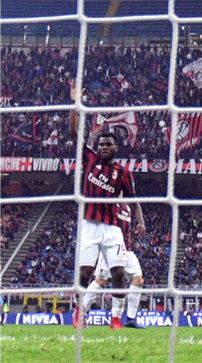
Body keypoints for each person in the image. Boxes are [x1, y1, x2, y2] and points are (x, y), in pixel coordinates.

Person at [69, 89, 145, 330]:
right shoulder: (89, 159)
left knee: (119, 273)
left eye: (108, 144)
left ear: (115, 147)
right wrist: (75, 103)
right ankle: (78, 312)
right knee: (85, 274)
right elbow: (73, 133)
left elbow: (133, 200)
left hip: (112, 229)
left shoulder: (123, 172)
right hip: (89, 225)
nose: (103, 147)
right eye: (101, 144)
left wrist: (140, 220)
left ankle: (116, 319)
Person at [81, 203, 145, 328]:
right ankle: (81, 314)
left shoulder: (126, 207)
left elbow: (136, 204)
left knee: (138, 280)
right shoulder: (108, 204)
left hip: (126, 249)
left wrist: (141, 222)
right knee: (100, 280)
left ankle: (130, 319)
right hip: (110, 248)